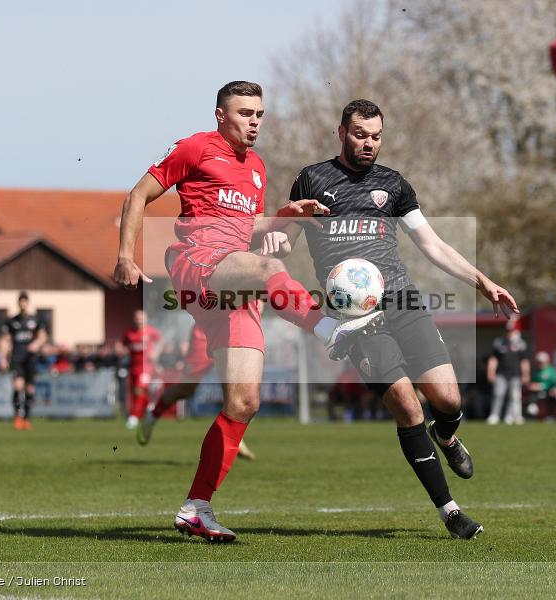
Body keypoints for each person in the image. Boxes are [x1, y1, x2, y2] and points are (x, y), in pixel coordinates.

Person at [113, 81, 382, 542]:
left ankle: (196, 507)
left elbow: (249, 228)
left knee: (244, 402)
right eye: (244, 113)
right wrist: (125, 255)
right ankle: (327, 328)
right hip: (197, 262)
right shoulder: (196, 147)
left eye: (259, 113)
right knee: (268, 267)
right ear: (221, 115)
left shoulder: (256, 167)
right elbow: (138, 194)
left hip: (232, 282)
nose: (254, 121)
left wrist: (287, 215)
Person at [279, 99, 519, 539]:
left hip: (403, 301)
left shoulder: (394, 185)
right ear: (341, 133)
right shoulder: (311, 179)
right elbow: (283, 241)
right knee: (408, 407)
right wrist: (273, 236)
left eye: (375, 136)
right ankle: (450, 512)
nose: (368, 143)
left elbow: (433, 245)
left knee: (446, 400)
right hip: (355, 317)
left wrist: (482, 281)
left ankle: (446, 437)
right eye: (359, 135)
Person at [136, 324, 257, 460]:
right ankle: (152, 417)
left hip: (233, 331)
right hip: (206, 331)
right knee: (185, 388)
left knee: (232, 388)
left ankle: (234, 437)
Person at [0, 291, 48, 430]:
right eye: (21, 301)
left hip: (31, 359)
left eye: (25, 301)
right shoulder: (12, 321)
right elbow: (5, 340)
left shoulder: (35, 320)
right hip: (17, 358)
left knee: (30, 389)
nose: (23, 304)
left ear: (28, 303)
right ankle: (17, 417)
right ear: (18, 303)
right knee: (18, 386)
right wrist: (2, 358)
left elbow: (43, 336)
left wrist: (36, 344)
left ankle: (27, 419)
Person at [122, 309, 162, 430]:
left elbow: (160, 342)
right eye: (137, 318)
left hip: (146, 367)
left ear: (146, 319)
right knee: (135, 392)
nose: (139, 320)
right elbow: (123, 344)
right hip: (133, 366)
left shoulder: (151, 331)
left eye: (141, 318)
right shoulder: (129, 333)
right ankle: (150, 408)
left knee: (139, 389)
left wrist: (156, 353)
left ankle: (134, 417)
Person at [487, 319, 530, 425]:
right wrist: (491, 372)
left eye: (511, 330)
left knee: (515, 396)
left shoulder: (520, 343)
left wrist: (526, 374)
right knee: (498, 394)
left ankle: (512, 416)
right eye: (508, 330)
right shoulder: (499, 342)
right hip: (501, 373)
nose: (509, 333)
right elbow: (493, 359)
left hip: (515, 374)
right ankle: (494, 415)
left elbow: (524, 360)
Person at [526, 351, 556, 421]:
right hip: (536, 393)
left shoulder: (551, 371)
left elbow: (554, 383)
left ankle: (550, 416)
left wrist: (542, 386)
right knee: (532, 399)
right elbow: (532, 382)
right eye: (539, 362)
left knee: (550, 397)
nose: (540, 364)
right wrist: (532, 385)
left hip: (548, 392)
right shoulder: (535, 371)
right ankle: (532, 417)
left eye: (542, 362)